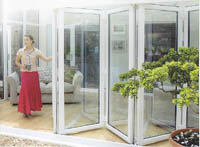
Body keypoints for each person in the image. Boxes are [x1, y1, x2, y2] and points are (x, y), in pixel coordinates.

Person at [15, 34, 52, 118]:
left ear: (31, 41)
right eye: (24, 40)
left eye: (27, 40)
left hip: (33, 75)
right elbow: (16, 62)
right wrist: (21, 66)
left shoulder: (37, 51)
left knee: (32, 92)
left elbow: (46, 59)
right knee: (25, 92)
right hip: (25, 74)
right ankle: (26, 111)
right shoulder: (20, 51)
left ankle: (29, 110)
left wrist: (55, 56)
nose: (25, 42)